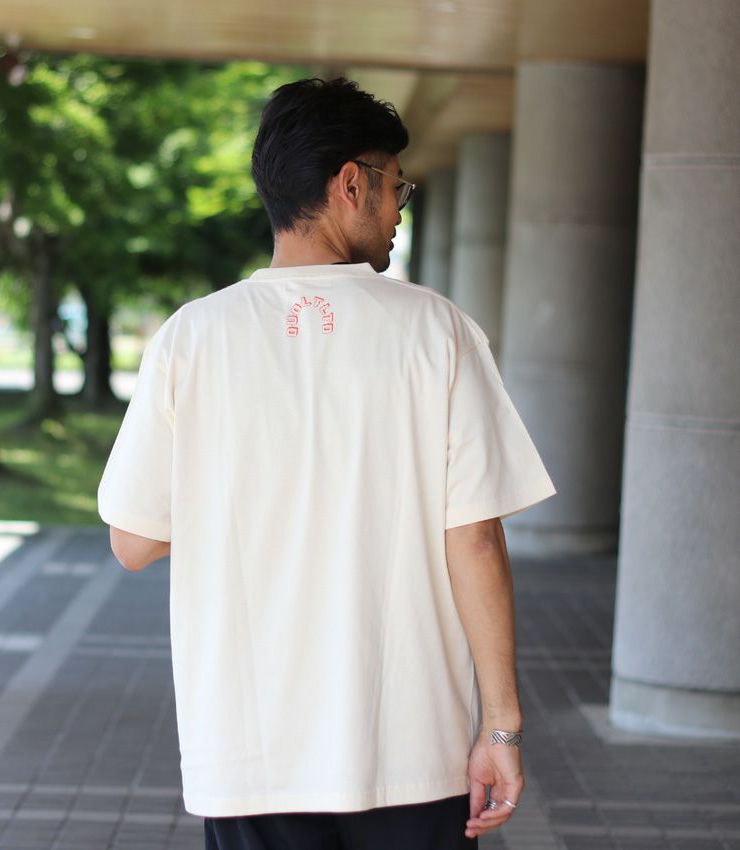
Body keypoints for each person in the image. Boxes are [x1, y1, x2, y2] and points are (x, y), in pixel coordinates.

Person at [97, 76, 556, 850]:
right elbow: (475, 539)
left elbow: (134, 543)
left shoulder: (192, 339)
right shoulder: (437, 332)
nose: (399, 210)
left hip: (250, 752)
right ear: (351, 183)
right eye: (395, 187)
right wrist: (501, 728)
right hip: (415, 753)